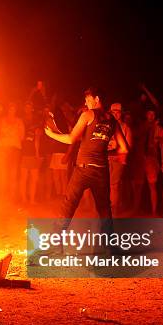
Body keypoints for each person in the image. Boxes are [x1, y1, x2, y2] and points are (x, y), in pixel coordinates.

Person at [45, 88, 128, 243]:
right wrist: (105, 148)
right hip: (101, 170)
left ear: (96, 98)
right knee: (104, 210)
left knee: (68, 206)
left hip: (83, 169)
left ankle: (54, 245)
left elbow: (71, 139)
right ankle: (111, 247)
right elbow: (124, 148)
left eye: (88, 99)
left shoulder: (88, 115)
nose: (85, 102)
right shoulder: (112, 120)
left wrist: (50, 134)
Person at [132, 109, 163, 216]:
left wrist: (160, 160)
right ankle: (136, 210)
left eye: (153, 114)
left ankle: (154, 211)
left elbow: (160, 144)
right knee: (138, 186)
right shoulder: (142, 126)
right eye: (149, 113)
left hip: (152, 159)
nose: (151, 116)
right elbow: (136, 137)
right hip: (140, 159)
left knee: (152, 185)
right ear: (146, 115)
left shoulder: (158, 128)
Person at [0, 102, 24, 203]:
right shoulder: (2, 120)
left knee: (13, 174)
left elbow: (22, 136)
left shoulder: (19, 121)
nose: (12, 110)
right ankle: (3, 196)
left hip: (15, 149)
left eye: (14, 108)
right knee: (3, 173)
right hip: (3, 148)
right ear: (8, 109)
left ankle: (11, 198)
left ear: (16, 110)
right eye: (10, 108)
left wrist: (10, 137)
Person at [107, 102, 132, 216]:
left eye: (118, 112)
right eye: (113, 112)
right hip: (106, 158)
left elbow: (128, 146)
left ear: (121, 113)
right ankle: (107, 210)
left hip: (117, 159)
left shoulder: (125, 127)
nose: (116, 114)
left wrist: (122, 159)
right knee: (106, 185)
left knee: (114, 186)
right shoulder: (106, 125)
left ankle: (114, 211)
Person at [19, 102, 42, 205]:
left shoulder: (36, 123)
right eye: (26, 107)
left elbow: (37, 139)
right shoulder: (21, 121)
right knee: (24, 178)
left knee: (33, 178)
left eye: (29, 108)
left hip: (32, 153)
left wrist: (37, 153)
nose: (28, 109)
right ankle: (24, 199)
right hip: (24, 153)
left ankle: (31, 199)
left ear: (32, 109)